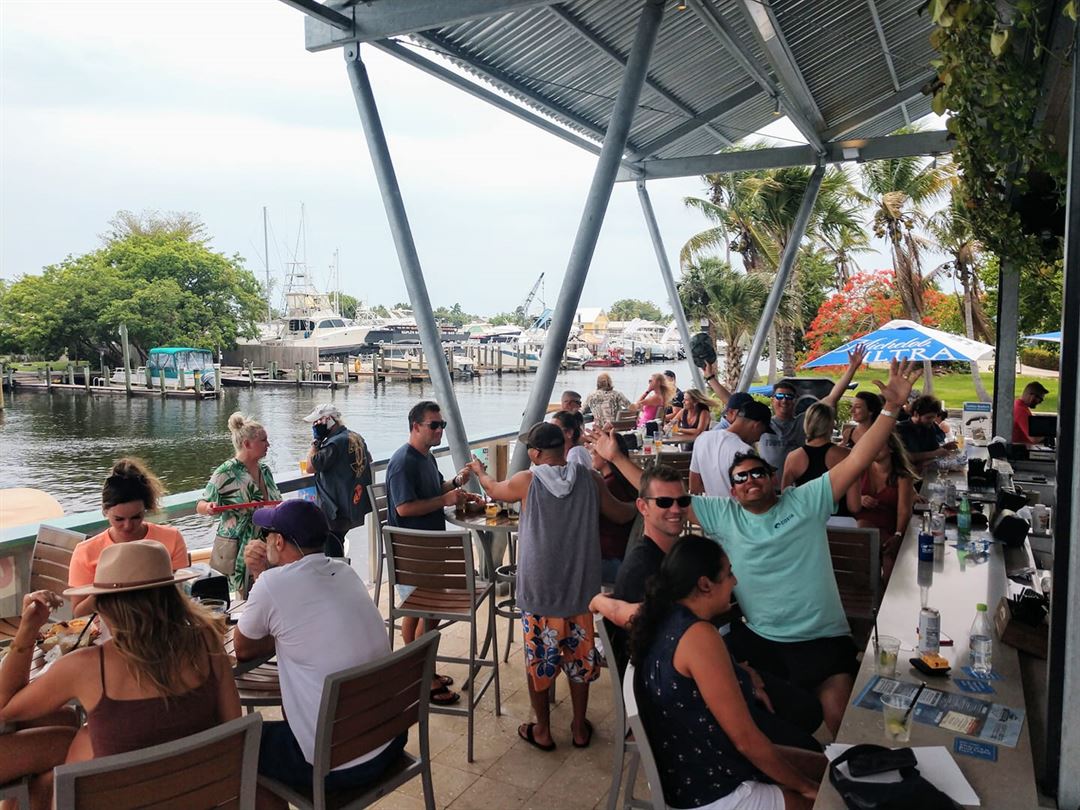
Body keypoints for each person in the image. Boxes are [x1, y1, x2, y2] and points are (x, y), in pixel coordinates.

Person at [595, 358, 922, 734]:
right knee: (740, 708)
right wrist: (617, 457)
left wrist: (893, 408)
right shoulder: (726, 515)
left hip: (822, 639)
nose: (749, 480)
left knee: (843, 724)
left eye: (757, 472)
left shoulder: (806, 501)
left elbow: (860, 458)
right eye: (740, 478)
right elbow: (663, 498)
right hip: (761, 640)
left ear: (773, 478)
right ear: (732, 491)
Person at [590, 466, 824, 752]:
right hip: (681, 701)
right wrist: (737, 679)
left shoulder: (677, 558)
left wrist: (736, 669)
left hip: (698, 676)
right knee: (807, 735)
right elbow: (673, 645)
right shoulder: (645, 568)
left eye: (683, 501)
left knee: (806, 706)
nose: (676, 509)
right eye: (664, 502)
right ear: (643, 507)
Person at [1, 542, 240, 809]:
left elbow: (6, 707)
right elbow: (232, 728)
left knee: (65, 755)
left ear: (105, 606)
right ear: (172, 596)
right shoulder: (207, 640)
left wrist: (28, 629)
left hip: (124, 799)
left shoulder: (86, 667)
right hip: (200, 795)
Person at [466, 422, 635, 752]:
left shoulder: (527, 481)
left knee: (539, 664)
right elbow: (620, 513)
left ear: (534, 454)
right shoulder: (590, 479)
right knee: (579, 663)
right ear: (564, 446)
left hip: (539, 593)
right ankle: (579, 728)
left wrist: (480, 471)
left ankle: (542, 729)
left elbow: (495, 491)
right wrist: (645, 502)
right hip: (582, 593)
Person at [627, 536, 825, 809]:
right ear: (705, 584)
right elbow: (747, 741)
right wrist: (806, 788)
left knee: (828, 767)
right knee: (828, 800)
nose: (735, 582)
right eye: (729, 573)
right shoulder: (698, 636)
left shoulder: (665, 617)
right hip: (709, 790)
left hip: (693, 767)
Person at [234, 500, 405, 806]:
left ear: (278, 541)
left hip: (338, 763)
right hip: (390, 739)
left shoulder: (271, 585)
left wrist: (263, 575)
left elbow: (243, 648)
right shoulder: (344, 570)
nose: (263, 539)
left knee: (240, 750)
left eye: (267, 533)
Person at [385, 400, 472, 706]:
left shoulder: (426, 457)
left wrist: (457, 483)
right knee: (429, 613)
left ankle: (417, 668)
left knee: (417, 612)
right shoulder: (403, 462)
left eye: (442, 426)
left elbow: (437, 489)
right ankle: (425, 674)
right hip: (412, 552)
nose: (439, 430)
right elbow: (404, 508)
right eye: (434, 425)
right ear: (415, 427)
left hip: (429, 548)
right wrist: (444, 499)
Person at [69, 457, 189, 617]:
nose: (128, 526)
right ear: (105, 511)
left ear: (145, 509)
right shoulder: (86, 551)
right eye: (119, 519)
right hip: (108, 629)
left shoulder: (171, 538)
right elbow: (78, 612)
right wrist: (105, 589)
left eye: (136, 517)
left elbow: (181, 596)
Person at [196, 412, 281, 594]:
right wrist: (209, 508)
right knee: (243, 596)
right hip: (237, 546)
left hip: (267, 543)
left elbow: (275, 501)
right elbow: (201, 504)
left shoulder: (265, 470)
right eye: (264, 440)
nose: (268, 444)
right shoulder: (226, 471)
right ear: (247, 444)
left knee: (270, 591)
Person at [758, 347, 866, 475]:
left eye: (789, 397)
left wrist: (852, 368)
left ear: (795, 400)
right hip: (768, 488)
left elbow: (832, 398)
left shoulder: (804, 420)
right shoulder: (763, 423)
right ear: (772, 400)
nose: (784, 400)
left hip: (798, 487)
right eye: (779, 396)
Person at [303, 403, 373, 557]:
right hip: (353, 505)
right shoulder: (355, 436)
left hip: (336, 509)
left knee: (332, 552)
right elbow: (369, 459)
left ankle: (336, 578)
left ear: (328, 420)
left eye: (317, 422)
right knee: (337, 545)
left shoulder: (334, 444)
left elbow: (310, 466)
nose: (314, 425)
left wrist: (316, 442)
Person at [853, 433, 918, 584]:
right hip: (861, 527)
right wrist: (860, 499)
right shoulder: (861, 468)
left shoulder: (903, 476)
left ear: (891, 448)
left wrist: (898, 534)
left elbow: (904, 510)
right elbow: (846, 496)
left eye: (879, 444)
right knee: (863, 526)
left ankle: (883, 597)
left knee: (890, 568)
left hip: (889, 528)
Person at [781, 403, 858, 517]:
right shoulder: (846, 456)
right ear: (831, 425)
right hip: (840, 523)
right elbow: (854, 506)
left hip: (805, 523)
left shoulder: (793, 457)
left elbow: (786, 501)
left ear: (807, 424)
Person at [689, 400, 773, 497]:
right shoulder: (745, 451)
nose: (758, 438)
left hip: (711, 509)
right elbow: (753, 494)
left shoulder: (702, 438)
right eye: (761, 432)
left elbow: (694, 486)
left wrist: (714, 489)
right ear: (757, 425)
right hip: (739, 510)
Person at [588, 432, 638, 584]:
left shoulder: (608, 486)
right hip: (624, 554)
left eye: (594, 452)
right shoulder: (626, 481)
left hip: (610, 561)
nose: (591, 455)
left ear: (605, 456)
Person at [897, 394, 957, 467]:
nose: (932, 421)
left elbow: (933, 449)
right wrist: (934, 453)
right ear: (916, 414)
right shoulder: (901, 429)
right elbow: (903, 457)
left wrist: (944, 448)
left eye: (934, 417)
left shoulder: (929, 427)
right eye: (928, 417)